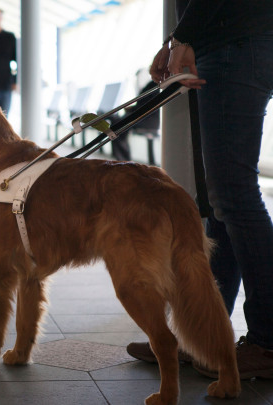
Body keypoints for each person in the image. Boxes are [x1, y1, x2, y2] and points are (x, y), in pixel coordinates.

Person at [127, 0, 273, 378]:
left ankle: (267, 342)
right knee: (221, 201)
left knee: (234, 196)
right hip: (227, 39)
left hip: (233, 41)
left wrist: (184, 38)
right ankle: (204, 334)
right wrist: (177, 38)